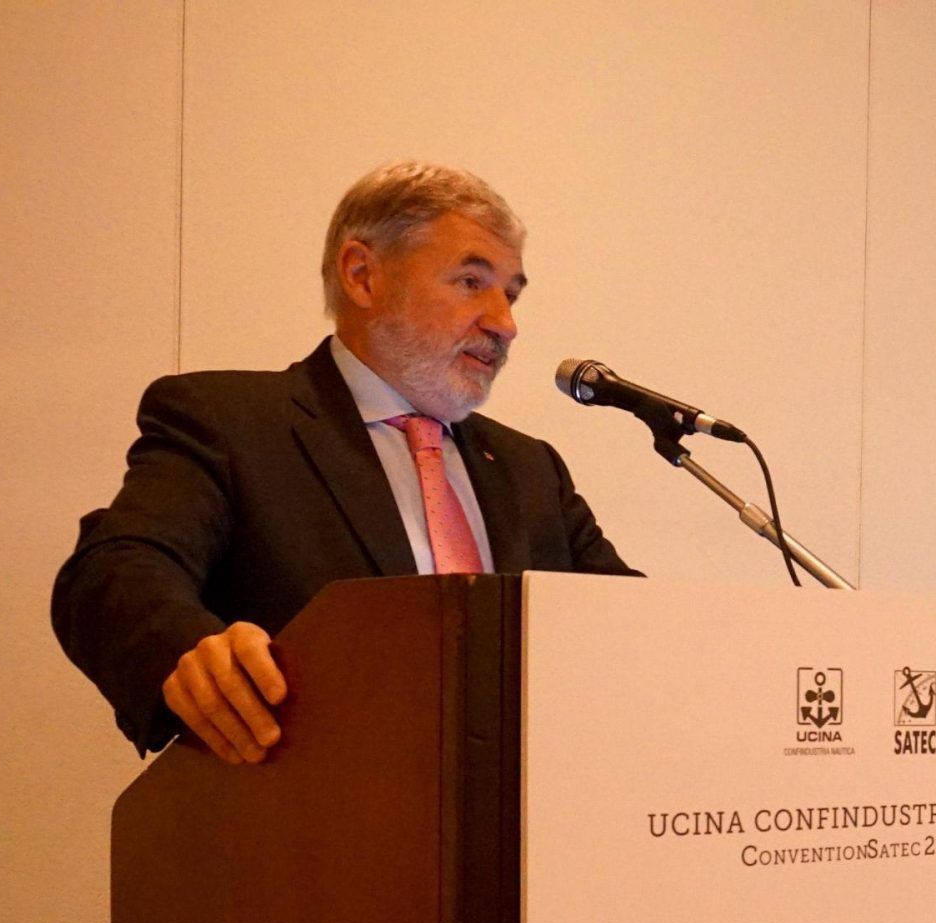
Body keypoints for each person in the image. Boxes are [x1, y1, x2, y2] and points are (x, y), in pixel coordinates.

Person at [52, 161, 635, 763]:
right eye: (470, 282)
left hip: (525, 809)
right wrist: (188, 650)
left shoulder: (529, 469)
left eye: (510, 294)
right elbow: (116, 570)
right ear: (362, 276)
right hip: (309, 802)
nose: (505, 324)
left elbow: (633, 627)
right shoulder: (230, 424)